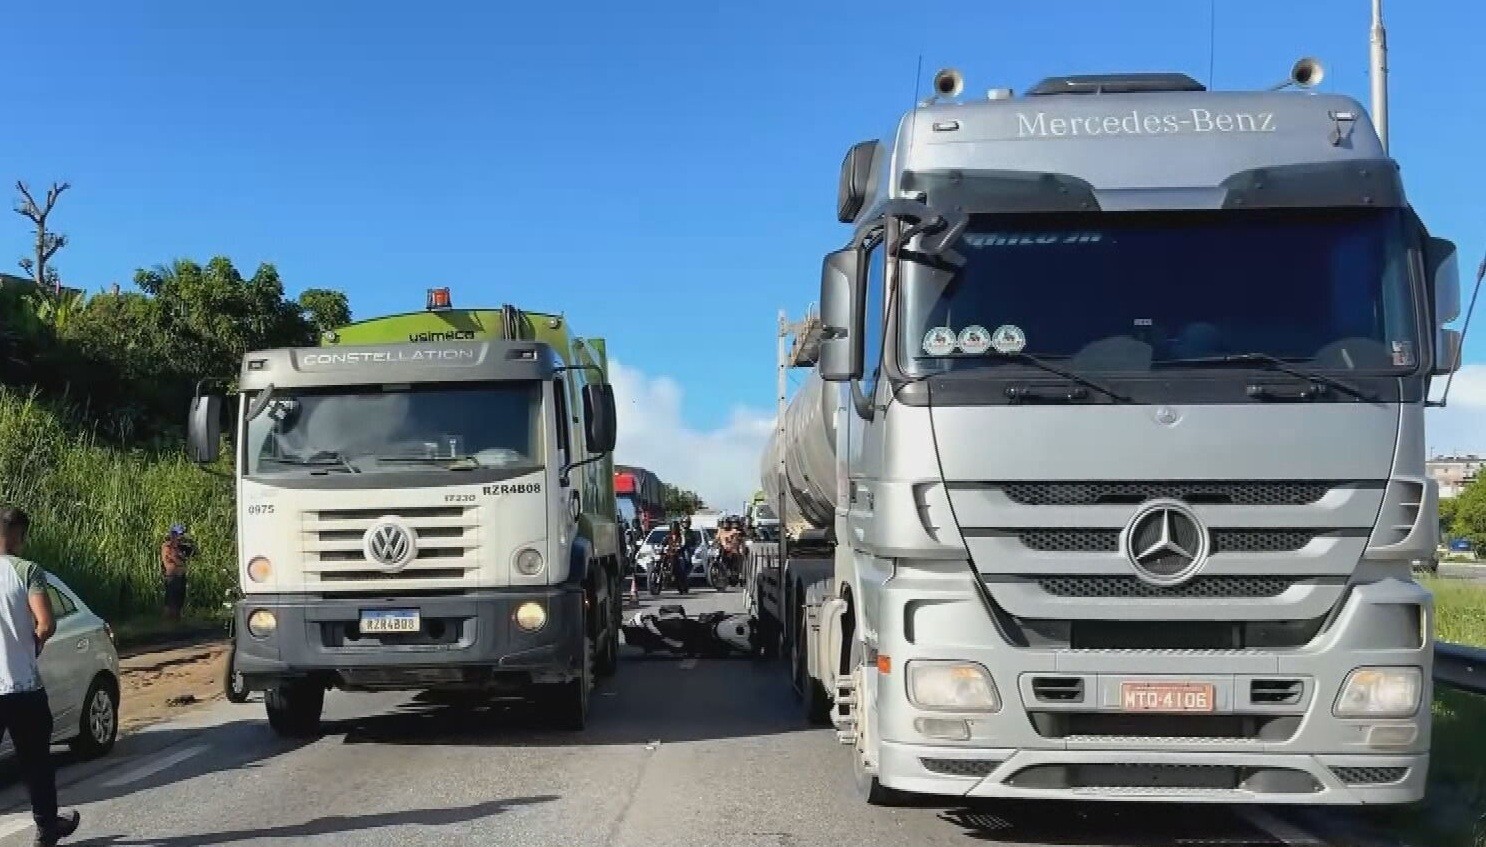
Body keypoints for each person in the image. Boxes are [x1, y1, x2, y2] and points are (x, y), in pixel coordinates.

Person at [0, 507, 81, 846]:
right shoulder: (27, 571)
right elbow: (46, 623)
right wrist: (29, 647)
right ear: (20, 534)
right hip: (22, 687)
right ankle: (46, 828)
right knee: (35, 761)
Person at [160, 524, 196, 622]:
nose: (181, 537)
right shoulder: (168, 546)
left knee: (179, 600)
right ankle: (168, 622)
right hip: (173, 576)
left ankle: (177, 621)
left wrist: (189, 544)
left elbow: (193, 553)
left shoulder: (180, 547)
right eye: (179, 535)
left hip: (180, 576)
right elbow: (172, 560)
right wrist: (181, 555)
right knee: (171, 601)